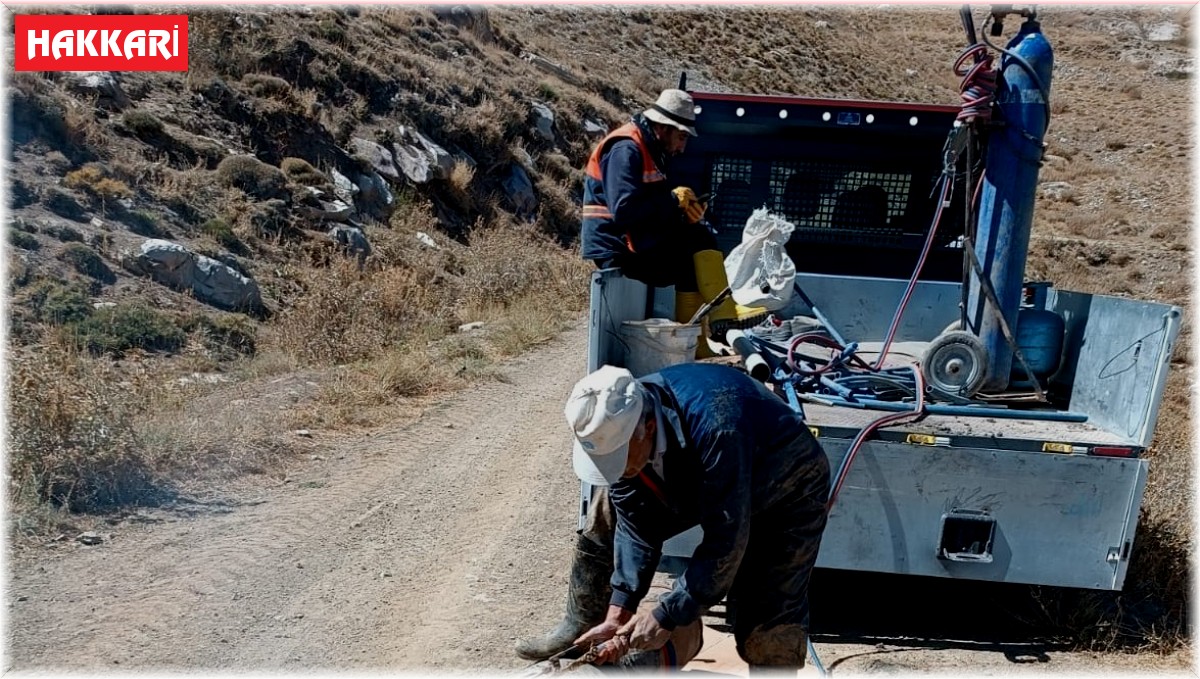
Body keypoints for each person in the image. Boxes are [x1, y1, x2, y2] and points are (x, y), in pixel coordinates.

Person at [516, 363, 830, 670]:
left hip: (788, 487)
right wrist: (619, 609)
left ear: (648, 428)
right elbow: (636, 526)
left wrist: (668, 614)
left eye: (618, 458)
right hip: (706, 471)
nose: (616, 470)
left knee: (768, 622)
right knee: (607, 505)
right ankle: (581, 626)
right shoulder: (625, 420)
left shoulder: (717, 427)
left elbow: (726, 541)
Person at [579, 88, 766, 357]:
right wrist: (673, 201)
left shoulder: (651, 149)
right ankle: (724, 313)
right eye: (681, 137)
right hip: (616, 248)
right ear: (662, 128)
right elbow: (625, 211)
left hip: (634, 241)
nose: (682, 147)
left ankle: (697, 345)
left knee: (694, 251)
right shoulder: (626, 149)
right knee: (697, 241)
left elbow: (651, 209)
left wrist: (684, 213)